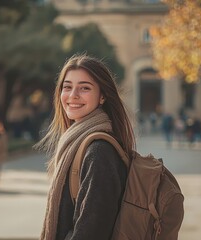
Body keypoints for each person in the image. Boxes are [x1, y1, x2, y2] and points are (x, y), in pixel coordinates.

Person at [35, 54, 136, 240]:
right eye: (67, 87)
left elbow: (92, 230)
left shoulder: (99, 151)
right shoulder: (76, 142)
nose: (73, 95)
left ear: (103, 96)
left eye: (84, 88)